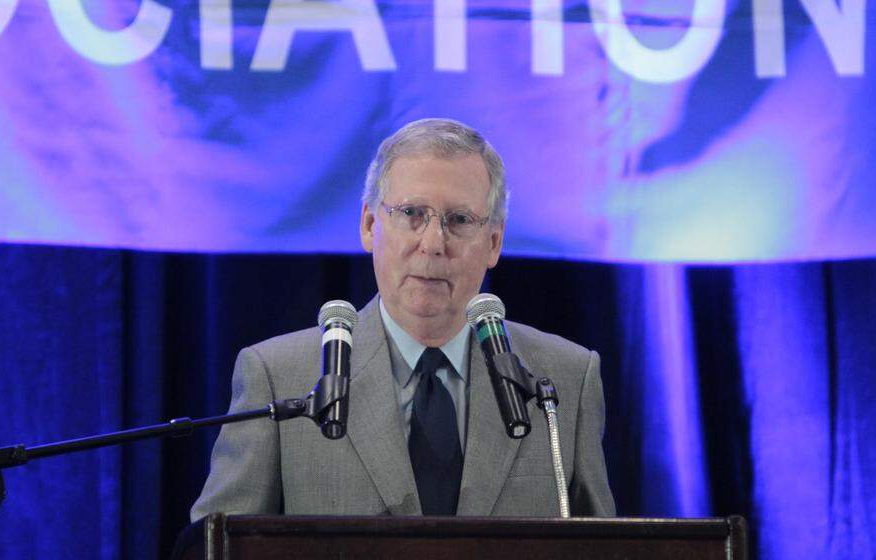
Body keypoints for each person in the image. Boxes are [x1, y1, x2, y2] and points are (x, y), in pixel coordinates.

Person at [191, 118, 614, 519]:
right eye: (412, 214)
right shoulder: (280, 375)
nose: (433, 243)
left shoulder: (564, 378)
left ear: (494, 242)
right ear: (370, 225)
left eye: (460, 220)